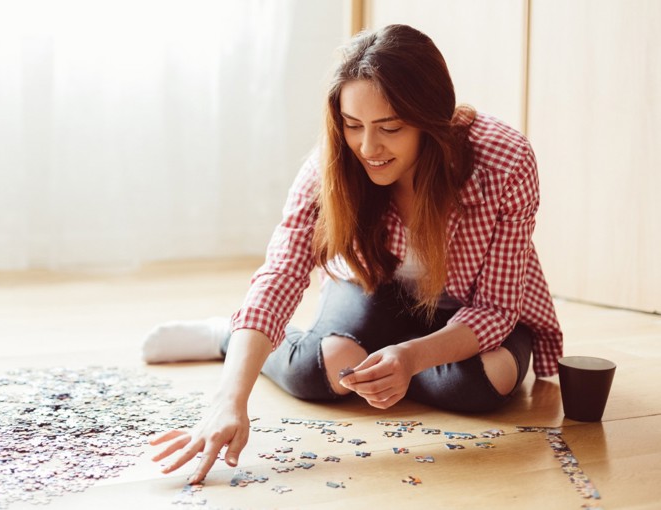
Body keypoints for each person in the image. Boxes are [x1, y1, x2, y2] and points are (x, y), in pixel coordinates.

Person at [141, 24, 563, 484]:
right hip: (373, 288)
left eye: (391, 128)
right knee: (323, 371)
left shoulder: (504, 160)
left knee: (484, 384)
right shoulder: (332, 161)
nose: (368, 147)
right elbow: (282, 270)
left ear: (431, 119)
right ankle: (228, 336)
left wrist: (410, 358)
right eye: (353, 125)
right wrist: (229, 399)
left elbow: (496, 308)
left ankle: (386, 362)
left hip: (468, 306)